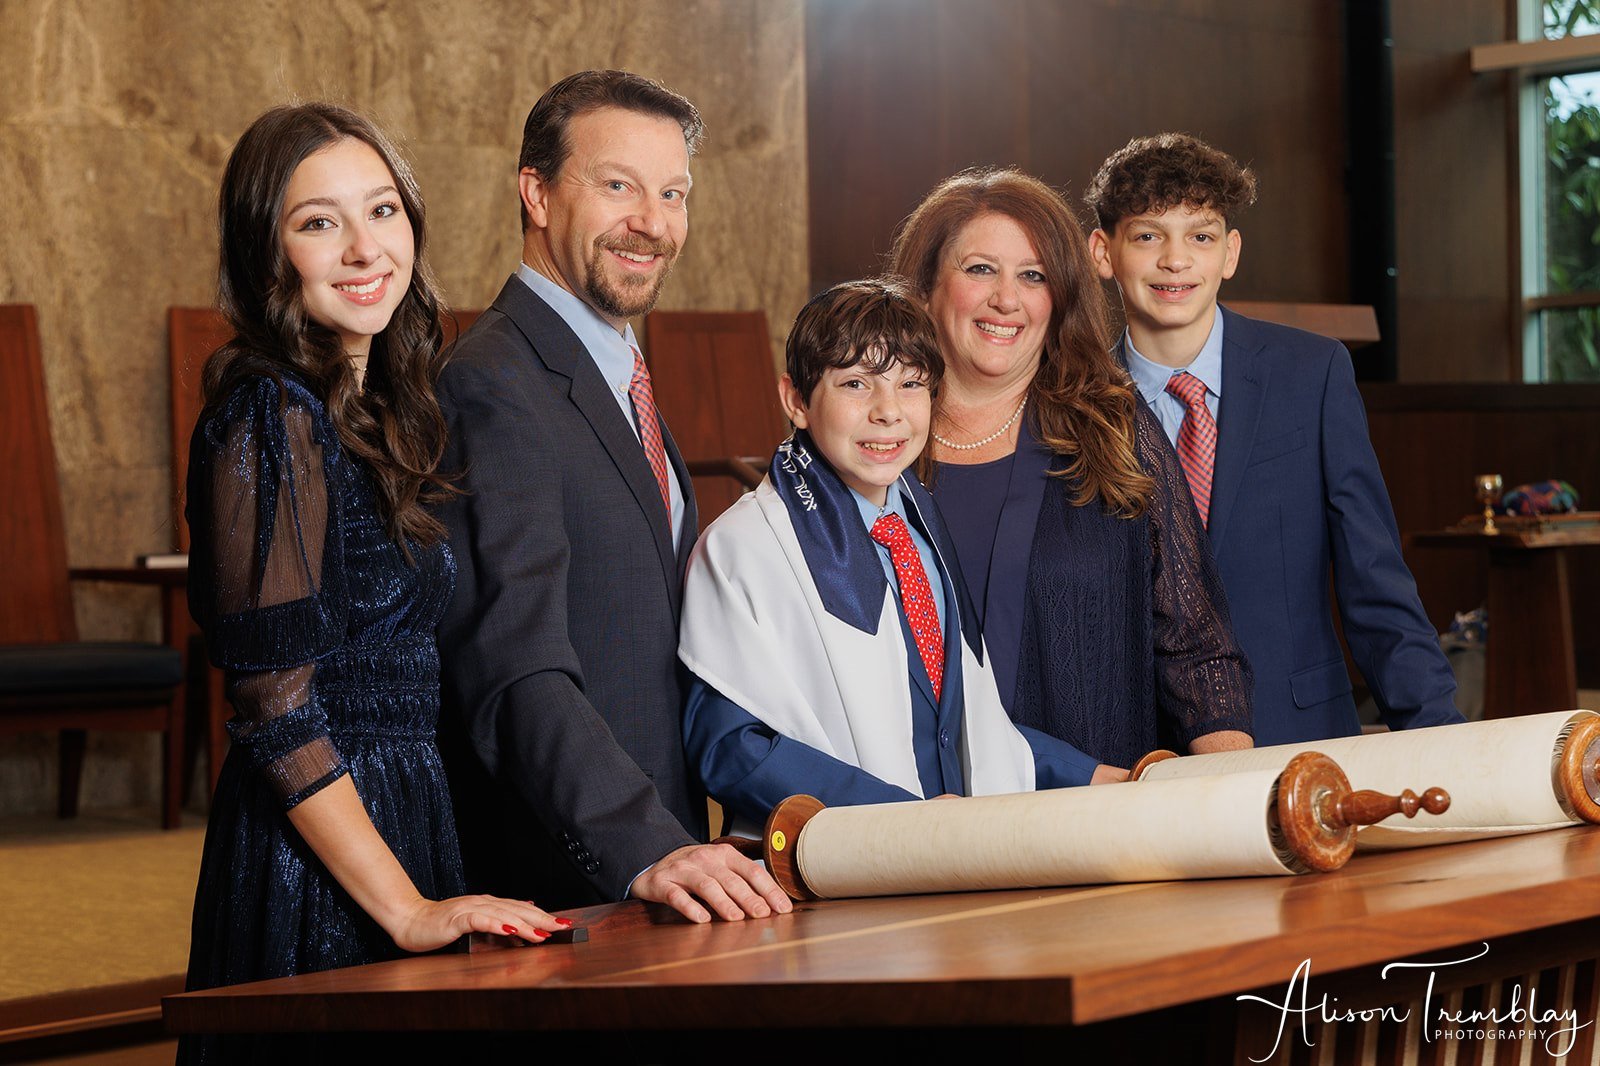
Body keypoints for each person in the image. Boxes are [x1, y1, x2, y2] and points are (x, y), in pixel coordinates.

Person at [182, 103, 561, 1063]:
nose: (362, 248)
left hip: (402, 811)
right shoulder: (271, 415)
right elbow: (274, 708)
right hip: (320, 855)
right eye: (318, 222)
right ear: (268, 253)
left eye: (383, 211)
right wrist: (407, 908)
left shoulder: (378, 409)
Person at [434, 70, 791, 923]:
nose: (653, 223)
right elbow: (515, 666)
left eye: (673, 193)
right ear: (538, 193)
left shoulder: (612, 367)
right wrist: (647, 846)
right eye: (619, 185)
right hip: (563, 877)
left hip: (664, 854)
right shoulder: (492, 384)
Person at [680, 279, 1109, 835]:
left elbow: (965, 725)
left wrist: (1095, 776)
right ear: (796, 400)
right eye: (856, 384)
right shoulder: (744, 545)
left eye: (911, 384)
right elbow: (731, 746)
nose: (888, 412)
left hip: (953, 859)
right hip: (842, 868)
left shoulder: (921, 522)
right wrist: (905, 823)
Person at [1084, 133, 1463, 744]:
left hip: (1297, 732)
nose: (1175, 260)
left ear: (1230, 253)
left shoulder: (1311, 374)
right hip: (1142, 752)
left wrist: (1443, 739)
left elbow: (1375, 581)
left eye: (1200, 236)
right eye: (1149, 235)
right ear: (1104, 252)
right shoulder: (1077, 407)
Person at [888, 167, 1254, 771]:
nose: (1007, 298)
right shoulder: (871, 446)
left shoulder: (1115, 425)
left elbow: (1198, 650)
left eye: (1033, 276)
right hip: (915, 829)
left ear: (1058, 298)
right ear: (925, 286)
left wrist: (1236, 797)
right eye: (980, 269)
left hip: (1096, 823)